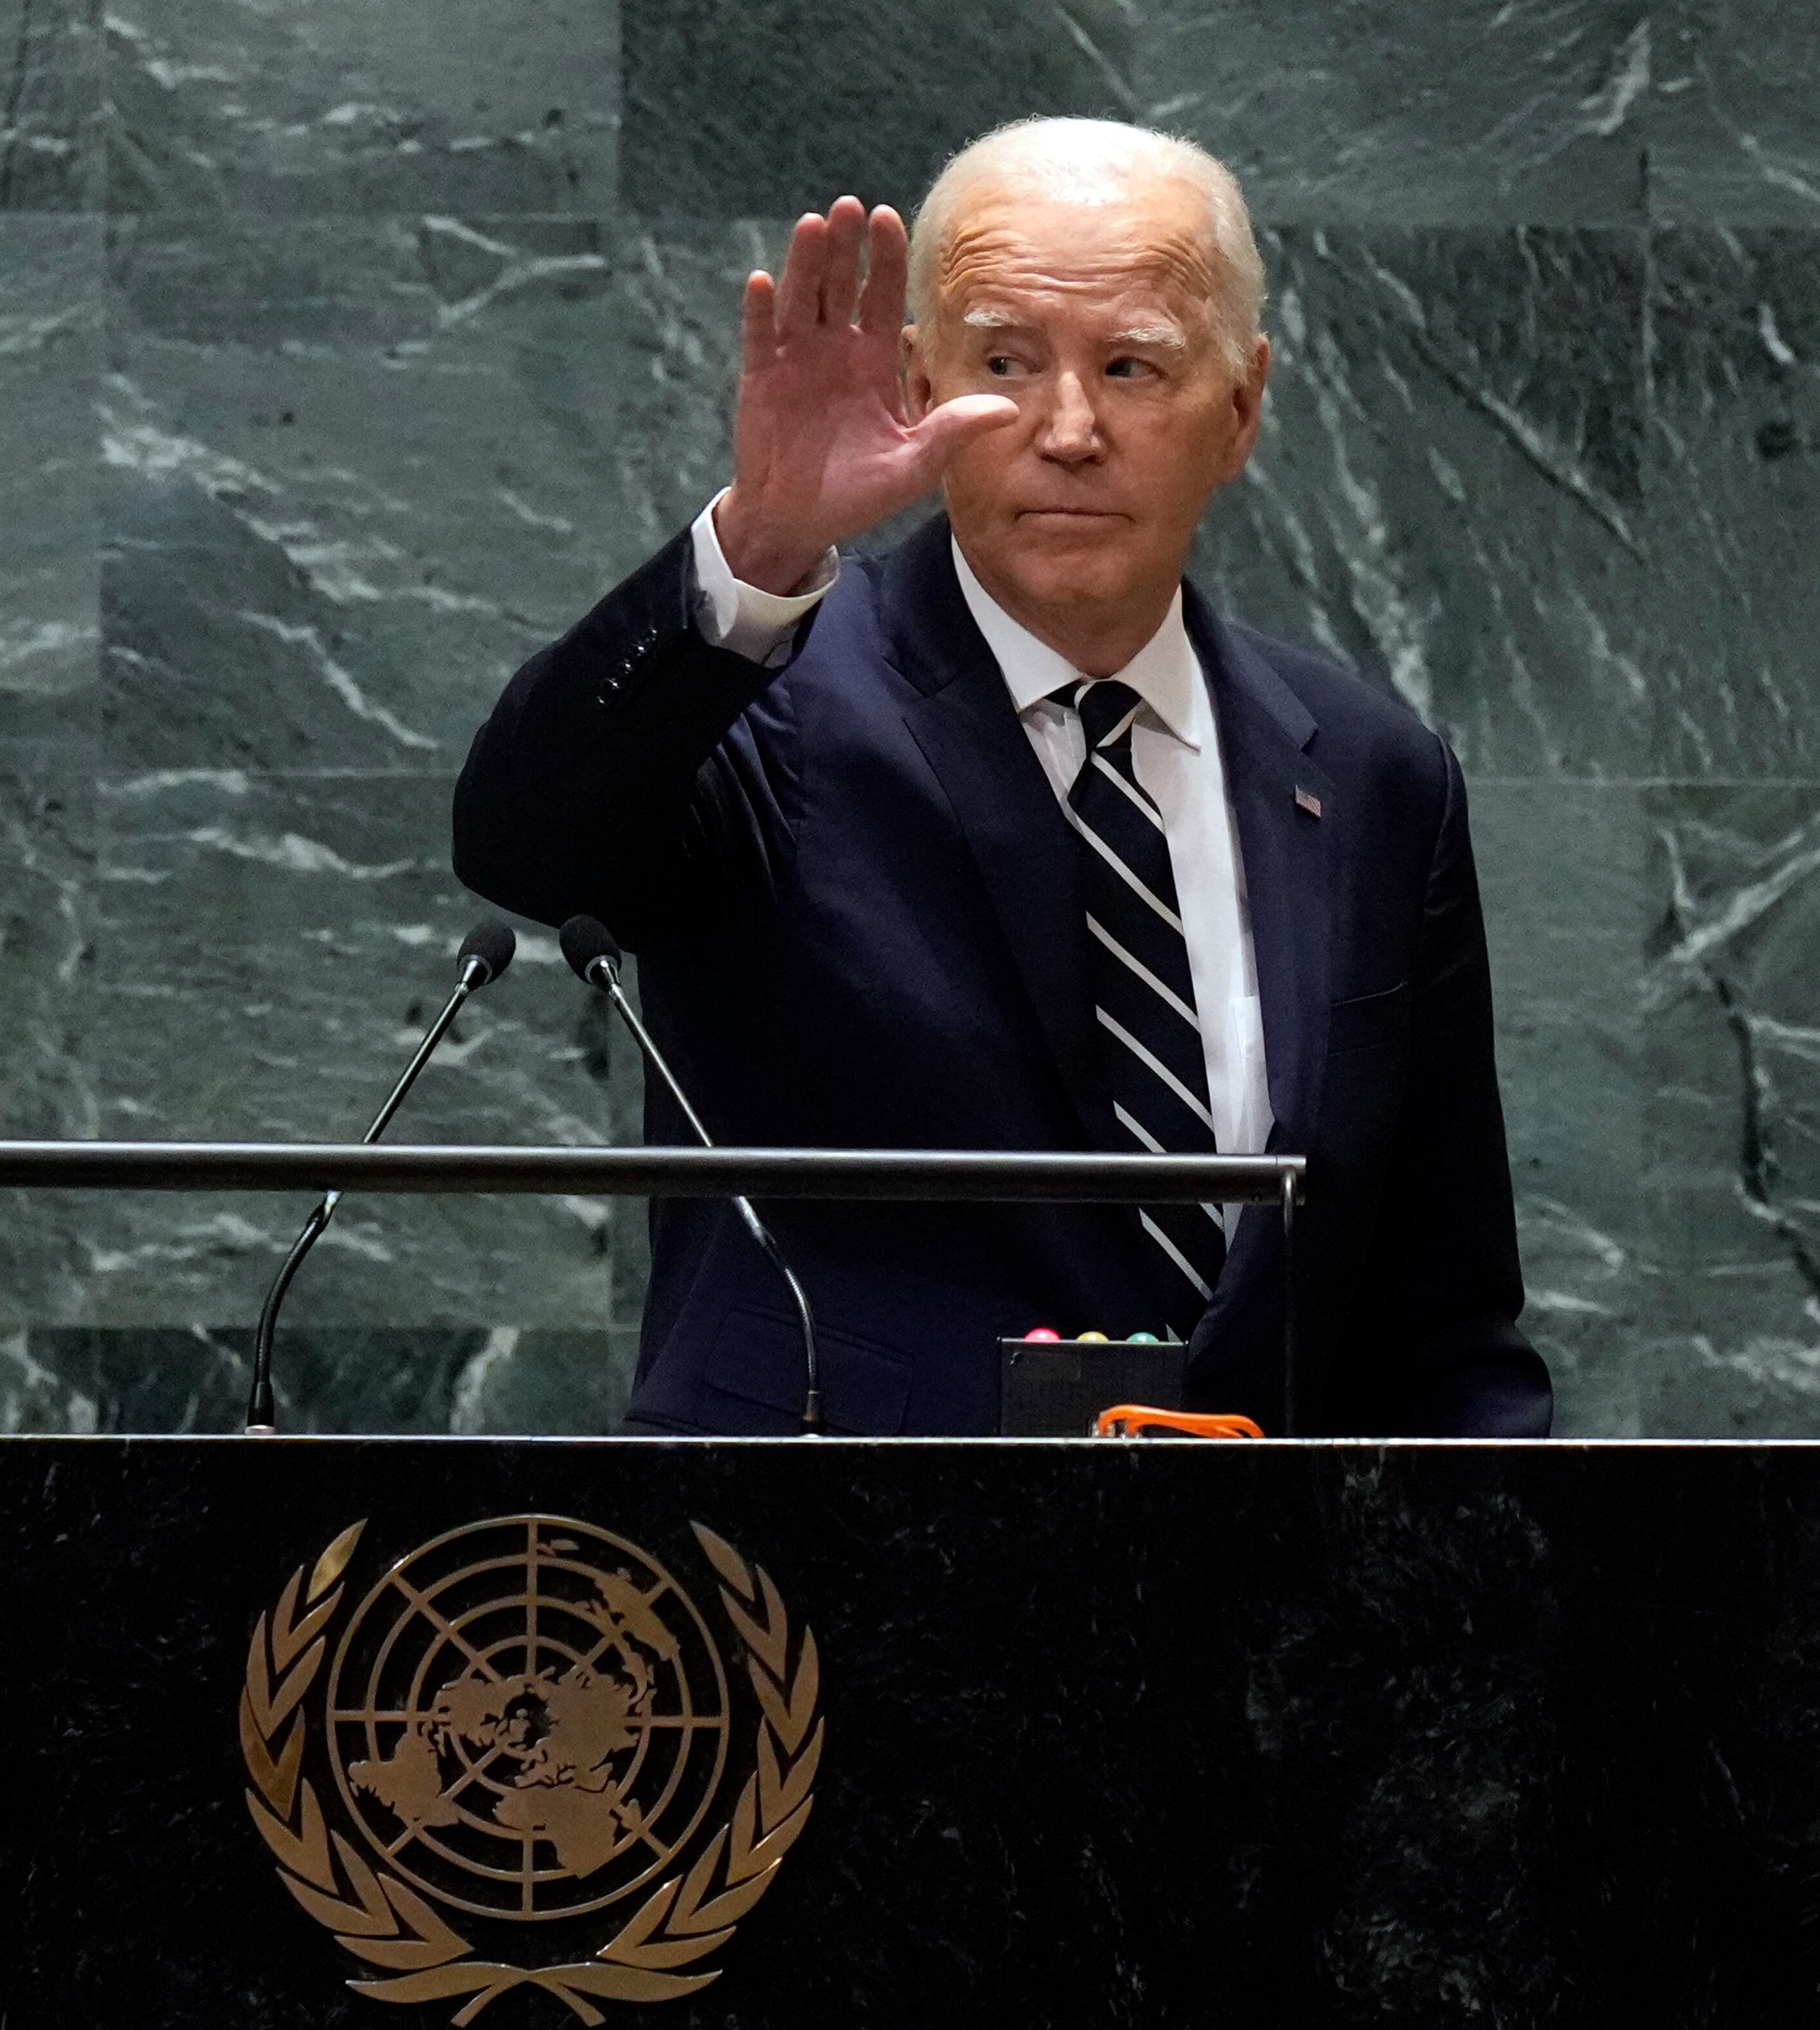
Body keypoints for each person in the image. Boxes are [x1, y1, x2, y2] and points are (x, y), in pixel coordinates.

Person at [455, 117, 1551, 1438]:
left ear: (1243, 407)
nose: (1069, 428)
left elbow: (1444, 1326)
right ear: (917, 389)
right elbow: (527, 841)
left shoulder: (1374, 774)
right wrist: (761, 540)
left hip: (1259, 1604)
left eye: (1134, 365)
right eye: (1005, 364)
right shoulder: (769, 692)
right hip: (821, 1578)